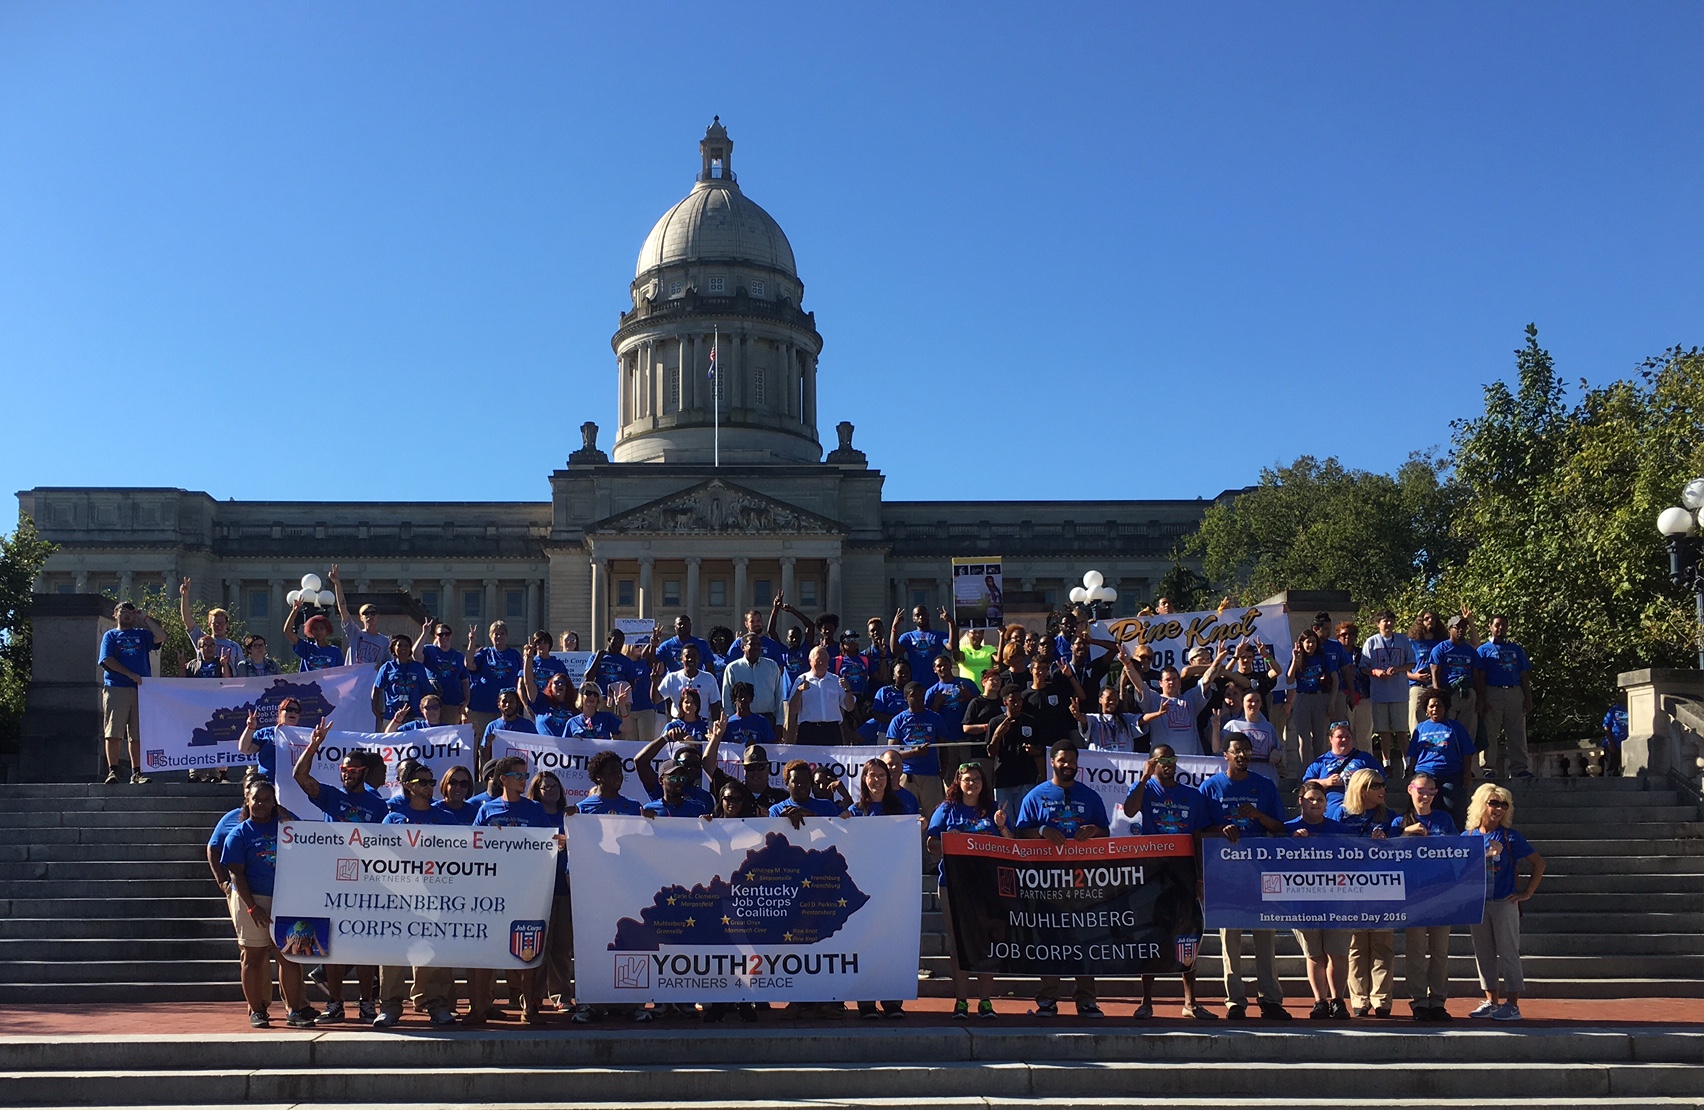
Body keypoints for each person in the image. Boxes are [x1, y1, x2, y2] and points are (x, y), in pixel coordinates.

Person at [291, 718, 384, 1021]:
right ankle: (335, 1004)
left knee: (365, 945)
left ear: (364, 773)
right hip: (332, 878)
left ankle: (367, 1003)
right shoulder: (332, 795)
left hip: (368, 880)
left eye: (353, 771)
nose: (346, 775)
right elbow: (300, 776)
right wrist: (314, 745)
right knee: (330, 944)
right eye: (343, 770)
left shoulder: (378, 804)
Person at [1124, 744, 1218, 1021]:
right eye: (1161, 759)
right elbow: (1129, 811)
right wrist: (1143, 778)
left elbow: (1198, 837)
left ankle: (1190, 1002)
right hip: (1153, 872)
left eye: (1171, 759)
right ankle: (1146, 1001)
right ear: (1152, 762)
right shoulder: (1146, 790)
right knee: (1151, 935)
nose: (1168, 763)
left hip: (1184, 872)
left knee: (1187, 935)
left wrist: (1200, 877)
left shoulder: (1192, 795)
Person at [1015, 742, 1109, 1018]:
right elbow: (1021, 834)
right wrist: (1042, 830)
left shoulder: (1090, 797)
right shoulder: (1035, 796)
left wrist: (1094, 830)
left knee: (1085, 939)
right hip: (1047, 880)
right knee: (1049, 939)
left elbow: (1105, 833)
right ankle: (1048, 998)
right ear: (1052, 762)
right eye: (1063, 760)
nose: (1068, 765)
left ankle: (1087, 1000)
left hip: (1084, 879)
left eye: (1072, 761)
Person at [1199, 736, 1289, 1020]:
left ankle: (1270, 999)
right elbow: (1199, 829)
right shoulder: (1210, 787)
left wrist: (1259, 816)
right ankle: (1235, 1001)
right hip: (1224, 875)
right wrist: (1220, 828)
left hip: (1260, 874)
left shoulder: (1264, 786)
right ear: (1226, 754)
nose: (1243, 756)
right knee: (1230, 941)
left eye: (1247, 751)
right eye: (1237, 751)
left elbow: (1280, 828)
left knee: (1265, 939)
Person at [465, 756, 557, 1025]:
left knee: (527, 950)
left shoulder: (535, 811)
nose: (523, 781)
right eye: (518, 776)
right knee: (485, 951)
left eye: (525, 776)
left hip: (526, 891)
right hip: (492, 892)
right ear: (502, 779)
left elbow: (547, 846)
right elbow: (474, 846)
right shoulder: (487, 810)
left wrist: (558, 843)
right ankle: (478, 1008)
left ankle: (529, 1007)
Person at [221, 777, 315, 1027]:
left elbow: (311, 846)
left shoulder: (286, 826)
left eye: (266, 799)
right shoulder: (239, 834)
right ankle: (257, 1010)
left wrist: (288, 816)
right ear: (247, 801)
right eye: (256, 800)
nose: (261, 804)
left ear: (274, 801)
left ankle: (294, 1011)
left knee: (290, 956)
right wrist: (252, 906)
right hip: (251, 899)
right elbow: (236, 874)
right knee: (253, 956)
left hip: (287, 897)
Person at [374, 763, 460, 1027]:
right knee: (393, 952)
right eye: (422, 781)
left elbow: (460, 857)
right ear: (408, 786)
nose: (428, 786)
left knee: (434, 951)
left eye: (431, 781)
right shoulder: (394, 819)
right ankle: (390, 1006)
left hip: (436, 895)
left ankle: (436, 1004)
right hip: (400, 895)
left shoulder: (446, 818)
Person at [926, 761, 1007, 1019]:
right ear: (958, 783)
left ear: (984, 784)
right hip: (953, 884)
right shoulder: (946, 808)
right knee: (959, 943)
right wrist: (952, 841)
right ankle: (961, 1001)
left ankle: (985, 1002)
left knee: (985, 944)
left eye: (977, 779)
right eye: (967, 779)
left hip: (986, 885)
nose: (972, 784)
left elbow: (1011, 846)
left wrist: (1002, 825)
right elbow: (931, 844)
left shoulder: (992, 809)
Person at [1465, 783, 1545, 1021]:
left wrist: (1526, 893)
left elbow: (1539, 863)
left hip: (1504, 900)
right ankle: (1491, 1000)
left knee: (1508, 951)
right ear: (1481, 804)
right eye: (1493, 803)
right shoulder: (1467, 837)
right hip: (1478, 903)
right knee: (1483, 953)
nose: (1498, 809)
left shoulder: (1510, 837)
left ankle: (1512, 1004)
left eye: (1503, 805)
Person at [847, 758, 910, 1019]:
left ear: (889, 778)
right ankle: (866, 1001)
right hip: (862, 887)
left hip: (892, 886)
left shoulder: (901, 809)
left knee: (891, 943)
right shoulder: (853, 811)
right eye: (872, 775)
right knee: (865, 941)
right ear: (864, 779)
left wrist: (917, 827)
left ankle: (892, 999)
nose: (877, 780)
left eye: (881, 775)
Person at [1397, 771, 1458, 1021]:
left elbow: (1458, 850)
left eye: (1430, 791)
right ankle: (1419, 1001)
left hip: (1441, 893)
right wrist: (1405, 834)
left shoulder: (1444, 819)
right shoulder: (1400, 820)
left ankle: (1438, 1001)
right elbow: (1386, 853)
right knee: (1416, 950)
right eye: (1421, 790)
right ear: (1411, 789)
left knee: (1440, 951)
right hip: (1414, 895)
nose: (1425, 795)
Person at [1286, 781, 1350, 1018]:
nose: (1315, 803)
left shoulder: (1340, 830)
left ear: (1326, 804)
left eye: (1320, 800)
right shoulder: (1288, 829)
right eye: (1310, 798)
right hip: (1302, 901)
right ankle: (1320, 1001)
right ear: (1300, 801)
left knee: (1338, 952)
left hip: (1338, 900)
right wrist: (1293, 843)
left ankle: (1338, 1000)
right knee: (1314, 953)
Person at [1336, 768, 1396, 1017]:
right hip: (1350, 885)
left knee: (1382, 944)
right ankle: (1359, 999)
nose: (1382, 790)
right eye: (1376, 786)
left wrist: (1389, 840)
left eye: (1383, 785)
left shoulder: (1389, 816)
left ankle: (1381, 998)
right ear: (1361, 788)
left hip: (1382, 886)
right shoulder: (1341, 813)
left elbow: (1399, 848)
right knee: (1357, 945)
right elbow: (1331, 843)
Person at [98, 600, 165, 785]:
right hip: (117, 687)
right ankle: (113, 771)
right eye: (123, 611)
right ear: (115, 614)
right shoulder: (111, 636)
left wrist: (144, 617)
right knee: (114, 732)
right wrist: (129, 674)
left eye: (130, 612)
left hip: (141, 691)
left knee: (137, 734)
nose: (127, 614)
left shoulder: (142, 634)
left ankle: (137, 772)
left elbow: (161, 636)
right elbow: (107, 660)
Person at [526, 769, 575, 1015]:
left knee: (562, 947)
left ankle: (562, 995)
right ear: (536, 791)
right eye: (546, 787)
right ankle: (533, 997)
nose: (552, 791)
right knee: (539, 948)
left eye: (556, 786)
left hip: (564, 890)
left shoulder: (570, 816)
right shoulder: (530, 815)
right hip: (537, 891)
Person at [1406, 688, 1476, 827]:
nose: (1435, 709)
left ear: (1445, 708)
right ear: (1426, 709)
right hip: (1425, 774)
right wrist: (1410, 770)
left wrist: (1467, 772)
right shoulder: (1420, 728)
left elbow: (1467, 751)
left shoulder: (1455, 727)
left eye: (1439, 705)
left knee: (1453, 810)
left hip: (1451, 774)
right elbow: (1413, 752)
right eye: (1431, 706)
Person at [1477, 615, 1534, 780]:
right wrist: (1482, 698)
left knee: (1517, 731)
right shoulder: (1483, 650)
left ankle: (1519, 768)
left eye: (1503, 625)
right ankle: (1488, 768)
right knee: (1490, 732)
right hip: (1492, 691)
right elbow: (1479, 676)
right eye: (1497, 625)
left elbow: (1524, 674)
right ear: (1490, 627)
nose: (1500, 628)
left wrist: (1527, 697)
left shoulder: (1516, 649)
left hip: (1514, 692)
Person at [1360, 611, 1416, 779]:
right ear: (1378, 624)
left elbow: (1411, 662)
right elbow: (1363, 667)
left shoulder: (1403, 640)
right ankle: (1387, 765)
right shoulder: (1371, 642)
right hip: (1379, 694)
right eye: (1385, 621)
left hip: (1399, 693)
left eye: (1391, 621)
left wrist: (1398, 669)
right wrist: (1375, 672)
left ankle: (1408, 765)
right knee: (1383, 732)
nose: (1388, 624)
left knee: (1401, 730)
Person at [887, 681, 948, 815]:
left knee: (933, 814)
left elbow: (944, 747)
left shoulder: (935, 718)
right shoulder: (898, 720)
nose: (919, 698)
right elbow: (892, 753)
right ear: (906, 697)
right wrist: (914, 752)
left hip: (931, 775)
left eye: (922, 695)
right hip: (907, 775)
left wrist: (943, 769)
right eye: (914, 695)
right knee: (906, 814)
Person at [1304, 722, 1384, 818]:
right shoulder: (1321, 761)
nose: (1344, 739)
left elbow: (1381, 779)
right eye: (1339, 737)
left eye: (1348, 736)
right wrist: (1326, 782)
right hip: (1330, 809)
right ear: (1331, 739)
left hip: (1359, 808)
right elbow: (1306, 785)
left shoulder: (1365, 758)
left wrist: (1359, 782)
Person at [988, 682, 1043, 816]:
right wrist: (997, 735)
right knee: (1005, 820)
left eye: (1019, 700)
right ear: (1005, 702)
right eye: (1013, 701)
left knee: (1025, 818)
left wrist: (1034, 750)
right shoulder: (996, 723)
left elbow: (1041, 748)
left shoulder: (1031, 721)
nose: (1017, 704)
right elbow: (990, 752)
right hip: (1003, 779)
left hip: (1026, 778)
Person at [465, 620, 522, 747]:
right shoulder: (485, 653)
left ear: (507, 636)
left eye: (502, 634)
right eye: (496, 634)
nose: (499, 637)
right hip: (482, 707)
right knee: (482, 744)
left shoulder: (514, 655)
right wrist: (472, 643)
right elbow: (469, 664)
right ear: (491, 636)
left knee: (505, 744)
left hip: (507, 708)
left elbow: (522, 677)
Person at [1286, 628, 1336, 765]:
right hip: (1302, 698)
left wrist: (1331, 701)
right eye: (1308, 642)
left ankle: (1320, 772)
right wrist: (1295, 661)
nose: (1311, 645)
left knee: (1320, 738)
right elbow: (1289, 680)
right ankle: (1304, 775)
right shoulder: (1298, 658)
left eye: (1313, 641)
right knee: (1304, 739)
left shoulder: (1323, 657)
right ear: (1302, 643)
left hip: (1320, 697)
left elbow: (1335, 679)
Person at [787, 646, 853, 744]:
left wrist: (848, 690)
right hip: (808, 731)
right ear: (810, 661)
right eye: (818, 660)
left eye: (824, 660)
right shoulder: (801, 680)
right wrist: (799, 690)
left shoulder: (836, 680)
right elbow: (793, 709)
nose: (822, 663)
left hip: (832, 731)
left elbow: (850, 707)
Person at [1138, 665, 1207, 756]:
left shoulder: (1190, 698)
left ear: (1180, 682)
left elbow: (1207, 681)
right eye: (1167, 680)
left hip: (1191, 762)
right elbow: (1139, 685)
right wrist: (1127, 664)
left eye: (1174, 679)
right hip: (1164, 761)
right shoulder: (1154, 699)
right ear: (1160, 683)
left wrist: (1218, 660)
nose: (1171, 682)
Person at [1428, 614, 1482, 729]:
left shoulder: (1470, 650)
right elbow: (1435, 674)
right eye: (1457, 627)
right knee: (1447, 727)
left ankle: (1467, 747)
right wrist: (1439, 697)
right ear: (1449, 629)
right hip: (1449, 691)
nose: (1460, 630)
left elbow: (1476, 675)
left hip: (1467, 691)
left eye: (1463, 627)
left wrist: (1479, 697)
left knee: (1468, 729)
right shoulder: (1440, 649)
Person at [179, 577, 241, 674]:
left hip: (227, 686)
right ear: (209, 625)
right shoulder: (202, 639)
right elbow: (187, 620)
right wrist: (185, 597)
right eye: (215, 623)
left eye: (221, 623)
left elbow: (241, 670)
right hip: (203, 685)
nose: (218, 626)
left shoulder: (234, 647)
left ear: (227, 625)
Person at [329, 565, 389, 666]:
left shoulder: (385, 641)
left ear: (378, 617)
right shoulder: (355, 634)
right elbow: (343, 609)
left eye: (373, 613)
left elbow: (388, 664)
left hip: (371, 681)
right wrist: (337, 584)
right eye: (366, 613)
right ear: (361, 618)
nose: (369, 615)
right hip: (353, 679)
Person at [414, 620, 470, 724]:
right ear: (436, 636)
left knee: (449, 734)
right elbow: (416, 654)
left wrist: (466, 700)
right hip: (432, 702)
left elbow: (465, 681)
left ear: (451, 636)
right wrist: (425, 632)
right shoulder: (429, 650)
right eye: (440, 634)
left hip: (452, 702)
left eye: (447, 634)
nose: (444, 637)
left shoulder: (458, 656)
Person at [374, 634, 435, 729]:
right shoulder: (387, 667)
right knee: (391, 742)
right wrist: (375, 709)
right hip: (392, 714)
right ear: (393, 648)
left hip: (416, 714)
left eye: (406, 645)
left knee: (416, 743)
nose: (403, 648)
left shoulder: (418, 667)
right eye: (399, 645)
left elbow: (426, 691)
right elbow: (377, 689)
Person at [722, 633, 786, 723]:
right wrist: (729, 721)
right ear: (743, 647)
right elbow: (727, 698)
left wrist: (780, 722)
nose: (756, 647)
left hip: (767, 719)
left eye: (758, 645)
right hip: (742, 718)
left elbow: (778, 695)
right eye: (752, 644)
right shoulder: (733, 668)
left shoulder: (772, 666)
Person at [237, 696, 303, 782]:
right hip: (268, 784)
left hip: (293, 784)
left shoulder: (303, 736)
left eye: (296, 711)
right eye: (289, 709)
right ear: (280, 712)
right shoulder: (266, 732)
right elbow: (245, 749)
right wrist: (250, 728)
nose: (293, 713)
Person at [1220, 690, 1283, 781]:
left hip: (1266, 776)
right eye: (1249, 701)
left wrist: (1277, 752)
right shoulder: (1233, 725)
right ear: (1242, 703)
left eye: (1257, 701)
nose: (1254, 704)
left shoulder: (1268, 726)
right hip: (1241, 776)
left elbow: (1278, 748)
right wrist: (1215, 726)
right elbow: (1219, 749)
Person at [891, 605, 958, 684]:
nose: (921, 617)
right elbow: (895, 651)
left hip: (936, 682)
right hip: (915, 683)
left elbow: (951, 647)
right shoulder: (908, 637)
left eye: (923, 614)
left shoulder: (939, 635)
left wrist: (951, 623)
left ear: (928, 615)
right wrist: (894, 626)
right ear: (913, 619)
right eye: (917, 615)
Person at [655, 644, 722, 723]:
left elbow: (715, 706)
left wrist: (716, 727)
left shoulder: (709, 678)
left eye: (694, 656)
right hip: (678, 725)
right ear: (681, 659)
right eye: (687, 656)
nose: (690, 659)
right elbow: (656, 700)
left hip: (702, 724)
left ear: (699, 658)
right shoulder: (672, 678)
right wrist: (654, 682)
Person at [1407, 610, 1448, 731]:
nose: (1430, 621)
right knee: (1415, 721)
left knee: (1438, 722)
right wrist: (1414, 676)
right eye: (1427, 619)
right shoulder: (1412, 643)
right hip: (1418, 686)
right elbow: (1401, 667)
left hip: (1437, 687)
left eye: (1433, 619)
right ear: (1420, 621)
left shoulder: (1442, 643)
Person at [770, 758, 847, 821]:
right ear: (787, 783)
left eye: (805, 780)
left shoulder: (827, 806)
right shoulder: (776, 810)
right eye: (796, 781)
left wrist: (811, 816)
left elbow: (835, 834)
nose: (801, 785)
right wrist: (782, 822)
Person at [1072, 685, 1143, 752]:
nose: (1112, 702)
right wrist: (1077, 715)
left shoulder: (1125, 718)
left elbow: (1142, 720)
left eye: (1115, 699)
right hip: (1100, 762)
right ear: (1100, 700)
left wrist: (1154, 713)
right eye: (1108, 699)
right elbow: (1083, 720)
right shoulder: (1094, 718)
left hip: (1124, 762)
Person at [283, 597, 343, 673]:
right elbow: (288, 632)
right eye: (315, 629)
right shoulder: (307, 648)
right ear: (311, 632)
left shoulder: (335, 651)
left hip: (328, 684)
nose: (319, 631)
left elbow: (341, 673)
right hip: (309, 684)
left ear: (327, 631)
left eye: (321, 628)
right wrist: (295, 610)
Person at [521, 634, 572, 719]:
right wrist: (526, 705)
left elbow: (566, 684)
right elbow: (524, 684)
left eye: (545, 643)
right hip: (535, 702)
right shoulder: (530, 662)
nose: (542, 646)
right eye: (539, 643)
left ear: (549, 645)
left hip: (552, 704)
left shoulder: (557, 664)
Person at [480, 690, 537, 765]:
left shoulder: (528, 726)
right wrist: (488, 745)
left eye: (511, 701)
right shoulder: (492, 726)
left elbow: (537, 750)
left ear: (517, 704)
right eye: (504, 701)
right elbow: (486, 758)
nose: (507, 705)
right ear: (498, 704)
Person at [719, 682, 778, 750]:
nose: (743, 699)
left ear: (751, 698)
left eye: (746, 696)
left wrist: (757, 746)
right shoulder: (728, 724)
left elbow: (772, 746)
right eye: (740, 696)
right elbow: (722, 748)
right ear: (734, 700)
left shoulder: (762, 722)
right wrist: (733, 745)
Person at [527, 672, 581, 737]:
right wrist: (528, 661)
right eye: (556, 682)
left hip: (567, 746)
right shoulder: (542, 701)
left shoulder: (574, 708)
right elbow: (528, 683)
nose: (560, 684)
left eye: (563, 683)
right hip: (545, 745)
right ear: (550, 686)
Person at [1602, 689, 1628, 777]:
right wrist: (1610, 743)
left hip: (1626, 745)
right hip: (1613, 744)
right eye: (1621, 694)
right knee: (1611, 771)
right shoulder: (1614, 709)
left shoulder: (1632, 708)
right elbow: (1606, 727)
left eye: (1624, 694)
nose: (1623, 696)